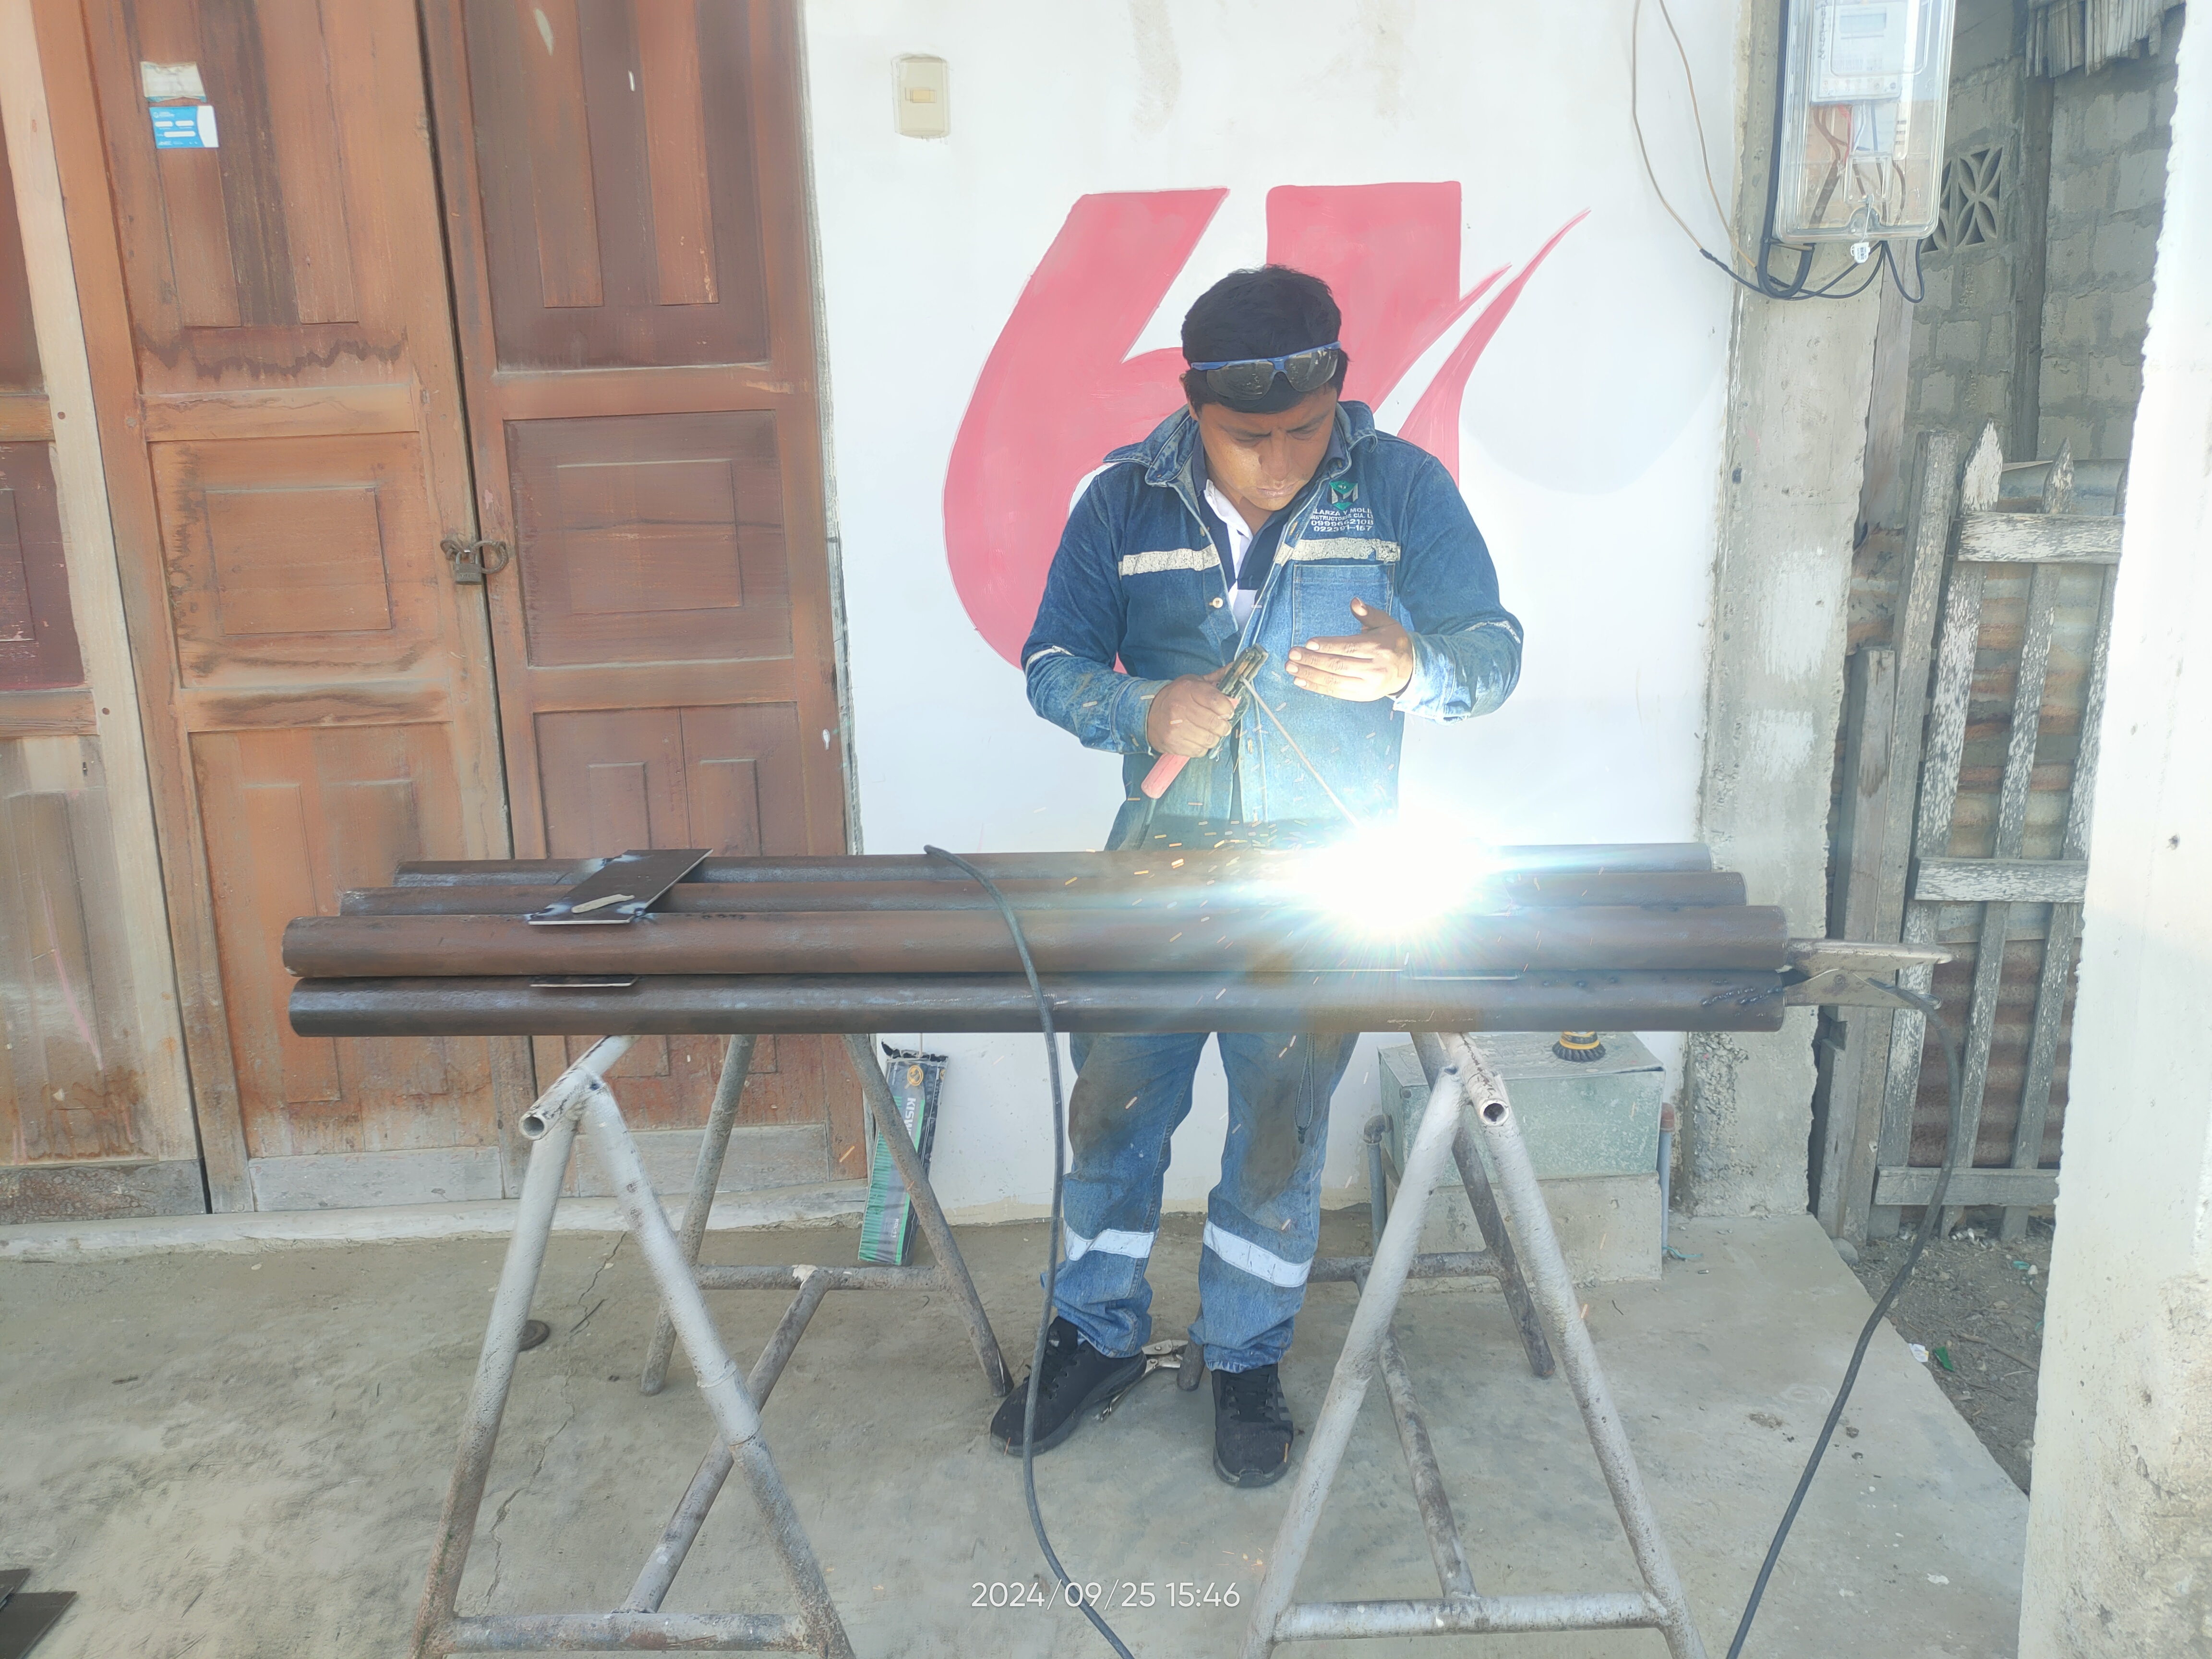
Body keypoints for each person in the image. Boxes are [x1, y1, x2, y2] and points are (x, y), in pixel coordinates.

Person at [999, 264, 1522, 1486]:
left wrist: (1414, 672)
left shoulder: (1401, 489)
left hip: (1326, 877)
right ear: (1195, 410)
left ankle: (1246, 1356)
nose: (1283, 459)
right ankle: (1095, 1333)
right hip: (1161, 871)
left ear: (1337, 394)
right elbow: (1052, 662)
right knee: (1112, 1110)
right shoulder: (1125, 500)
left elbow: (1493, 652)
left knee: (1280, 1127)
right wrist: (1142, 708)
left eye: (1305, 430)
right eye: (1251, 438)